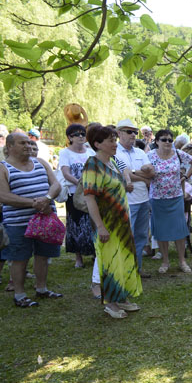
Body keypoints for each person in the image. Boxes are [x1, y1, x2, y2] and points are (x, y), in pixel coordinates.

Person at [81, 124, 142, 318]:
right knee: (109, 262)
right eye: (110, 140)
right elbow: (90, 198)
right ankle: (111, 303)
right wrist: (100, 227)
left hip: (122, 221)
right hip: (107, 223)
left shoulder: (112, 162)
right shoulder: (93, 164)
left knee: (123, 260)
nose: (114, 144)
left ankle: (122, 297)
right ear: (97, 143)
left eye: (115, 140)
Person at [0, 132, 62, 307]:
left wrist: (47, 198)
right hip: (18, 223)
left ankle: (41, 288)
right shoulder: (3, 168)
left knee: (43, 254)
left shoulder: (40, 162)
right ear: (10, 146)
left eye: (29, 142)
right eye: (22, 143)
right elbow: (3, 195)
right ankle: (19, 295)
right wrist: (33, 203)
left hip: (45, 219)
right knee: (20, 257)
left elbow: (56, 185)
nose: (28, 146)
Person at [147, 128, 192, 274]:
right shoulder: (150, 155)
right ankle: (165, 261)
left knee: (179, 230)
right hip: (157, 198)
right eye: (164, 139)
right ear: (157, 141)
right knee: (161, 231)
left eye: (170, 140)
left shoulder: (177, 153)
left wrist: (186, 177)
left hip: (176, 197)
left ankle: (182, 261)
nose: (167, 142)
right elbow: (143, 171)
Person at [114, 119, 155, 273]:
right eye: (129, 131)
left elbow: (152, 173)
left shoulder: (139, 151)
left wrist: (133, 173)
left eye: (135, 132)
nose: (133, 135)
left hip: (144, 200)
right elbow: (123, 174)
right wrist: (142, 176)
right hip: (126, 201)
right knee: (125, 236)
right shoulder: (114, 152)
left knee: (141, 236)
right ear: (119, 133)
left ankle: (136, 269)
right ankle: (124, 270)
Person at [58, 123, 96, 268]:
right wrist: (80, 184)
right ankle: (78, 257)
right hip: (74, 193)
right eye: (77, 134)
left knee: (92, 222)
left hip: (92, 193)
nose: (81, 137)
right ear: (69, 137)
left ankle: (94, 253)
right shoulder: (65, 153)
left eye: (83, 134)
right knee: (75, 223)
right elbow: (66, 173)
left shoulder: (90, 152)